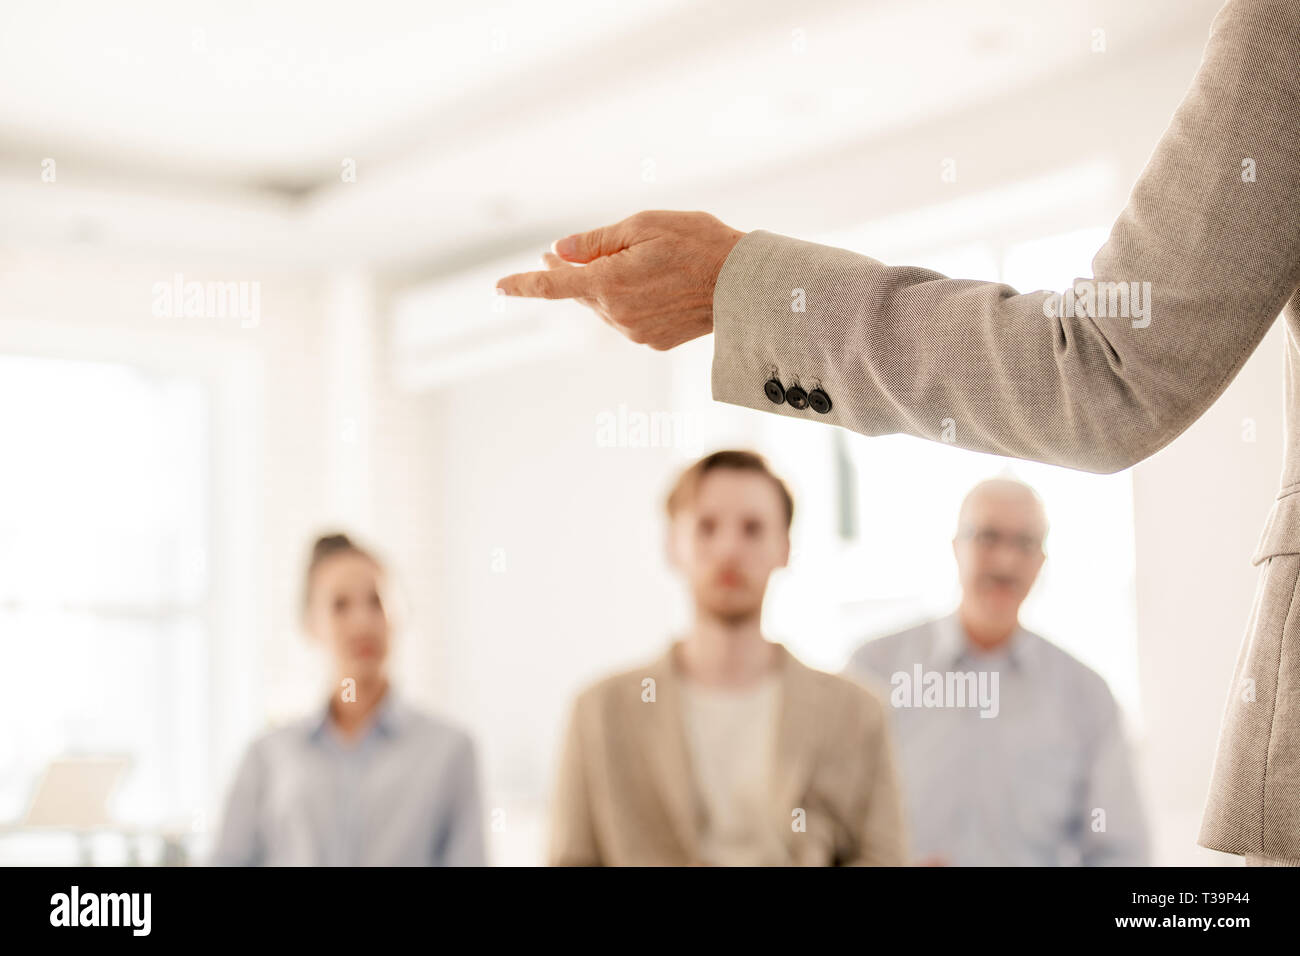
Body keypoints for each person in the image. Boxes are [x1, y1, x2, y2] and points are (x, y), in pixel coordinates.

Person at [497, 0, 1300, 865]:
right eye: (986, 534)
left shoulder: (1040, 698)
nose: (999, 557)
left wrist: (736, 287)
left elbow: (1102, 367)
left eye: (1020, 540)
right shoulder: (855, 676)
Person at [549, 450, 905, 866]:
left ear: (784, 548)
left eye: (753, 529)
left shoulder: (857, 713)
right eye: (706, 527)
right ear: (673, 546)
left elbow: (885, 859)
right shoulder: (600, 713)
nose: (729, 549)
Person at [846, 478, 1149, 866]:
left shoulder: (1088, 696)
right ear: (956, 548)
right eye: (988, 537)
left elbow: (1121, 852)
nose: (1006, 562)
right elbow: (827, 820)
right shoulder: (872, 670)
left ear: (1041, 561)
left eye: (1025, 543)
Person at [210, 534, 486, 866]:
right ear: (311, 623)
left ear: (397, 615)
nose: (362, 622)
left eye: (376, 602)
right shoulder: (267, 756)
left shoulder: (450, 752)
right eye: (340, 605)